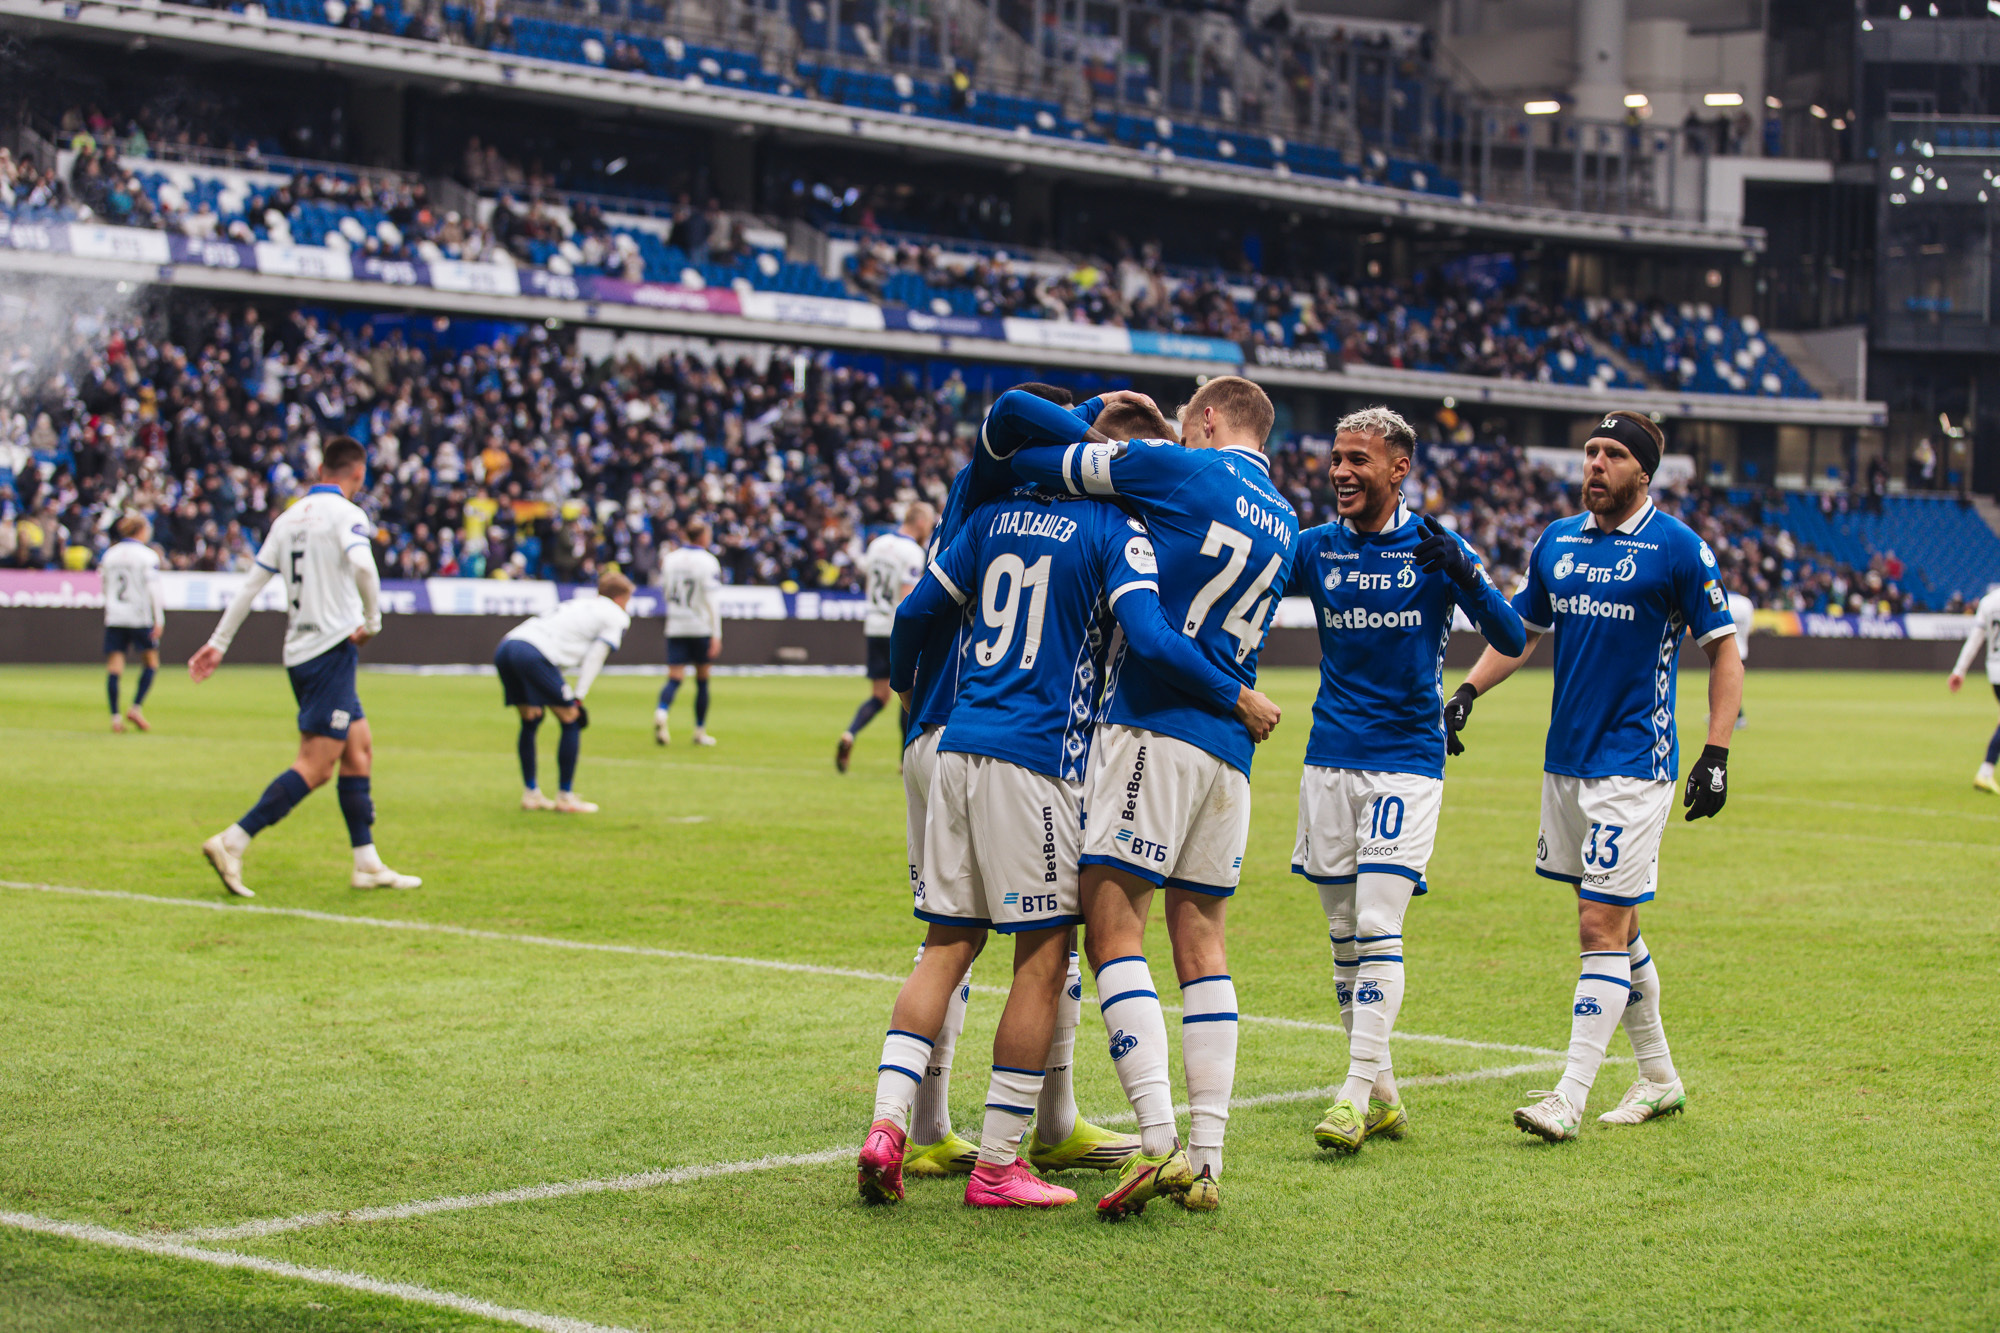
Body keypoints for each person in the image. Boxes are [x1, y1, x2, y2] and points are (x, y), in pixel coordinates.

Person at [858, 475, 1277, 1208]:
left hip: (956, 739)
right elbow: (1148, 634)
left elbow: (916, 610)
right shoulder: (1113, 528)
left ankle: (888, 1127)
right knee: (1046, 956)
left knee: (946, 944)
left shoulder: (989, 515)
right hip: (1037, 756)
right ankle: (998, 1165)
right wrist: (1235, 693)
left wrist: (903, 685)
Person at [997, 376, 1295, 1217]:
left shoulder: (1179, 468)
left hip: (1155, 728)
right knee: (1204, 942)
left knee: (1111, 927)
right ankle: (1208, 1157)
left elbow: (1030, 452)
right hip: (1231, 754)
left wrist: (1113, 429)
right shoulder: (1281, 515)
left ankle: (1157, 1138)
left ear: (1207, 419)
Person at [1444, 411, 1742, 1142]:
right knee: (1619, 923)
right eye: (1590, 451)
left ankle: (1568, 1098)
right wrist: (1468, 690)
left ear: (1644, 471)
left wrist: (1716, 753)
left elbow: (1724, 651)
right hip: (1566, 763)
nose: (1596, 464)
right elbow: (1521, 633)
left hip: (1635, 763)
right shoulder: (1558, 541)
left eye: (1612, 454)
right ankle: (1659, 1079)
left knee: (1598, 925)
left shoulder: (1678, 547)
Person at [1281, 408, 1526, 1156]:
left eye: (1358, 459)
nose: (1342, 472)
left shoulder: (1435, 547)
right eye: (1337, 458)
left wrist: (1464, 572)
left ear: (1398, 469)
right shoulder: (1313, 548)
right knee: (1341, 934)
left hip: (1407, 760)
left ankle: (1352, 1096)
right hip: (1328, 758)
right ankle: (1383, 1093)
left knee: (1377, 923)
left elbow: (1513, 636)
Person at [189, 436, 421, 898]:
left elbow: (250, 586)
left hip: (301, 650)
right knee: (316, 766)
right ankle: (233, 841)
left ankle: (367, 863)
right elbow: (364, 567)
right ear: (358, 474)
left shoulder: (288, 518)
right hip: (329, 650)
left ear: (320, 470)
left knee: (359, 748)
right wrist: (373, 621)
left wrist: (218, 643)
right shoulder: (347, 514)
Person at [496, 571, 635, 813]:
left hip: (507, 646)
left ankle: (531, 794)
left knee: (531, 718)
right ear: (621, 598)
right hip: (533, 653)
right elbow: (595, 657)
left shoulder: (579, 603)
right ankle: (565, 797)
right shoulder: (616, 615)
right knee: (571, 718)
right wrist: (578, 697)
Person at [838, 501, 934, 773]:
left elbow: (869, 582)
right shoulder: (913, 552)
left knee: (880, 696)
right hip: (895, 630)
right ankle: (906, 760)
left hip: (874, 625)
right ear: (920, 522)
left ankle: (850, 733)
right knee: (910, 692)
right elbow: (907, 599)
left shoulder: (877, 544)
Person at [655, 519, 722, 747]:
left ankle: (662, 711)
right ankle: (700, 730)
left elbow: (665, 591)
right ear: (703, 537)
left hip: (675, 624)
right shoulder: (708, 561)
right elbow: (712, 600)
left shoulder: (670, 559)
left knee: (674, 677)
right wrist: (716, 634)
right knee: (702, 680)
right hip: (700, 625)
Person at [100, 513, 165, 733]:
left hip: (115, 616)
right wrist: (159, 619)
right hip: (139, 617)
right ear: (141, 531)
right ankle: (136, 707)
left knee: (114, 667)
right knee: (151, 662)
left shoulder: (110, 555)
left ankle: (115, 718)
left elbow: (104, 585)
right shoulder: (147, 556)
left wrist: (109, 607)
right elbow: (153, 589)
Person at [1948, 581, 2000, 794]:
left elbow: (1975, 639)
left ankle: (1986, 772)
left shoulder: (1989, 602)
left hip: (1995, 672)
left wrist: (1959, 670)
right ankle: (1985, 772)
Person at [1727, 589, 1754, 728]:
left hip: (1727, 649)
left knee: (1728, 686)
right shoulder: (1746, 603)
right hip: (1742, 649)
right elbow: (1750, 626)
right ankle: (1723, 714)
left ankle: (1738, 716)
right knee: (1731, 684)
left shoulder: (1725, 600)